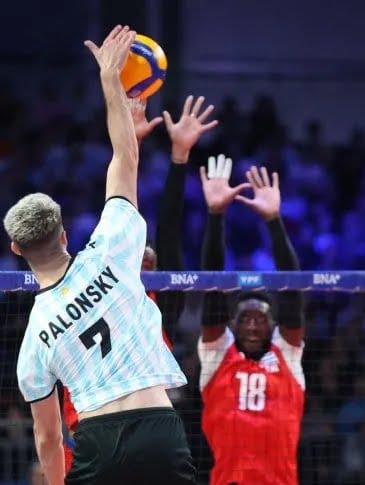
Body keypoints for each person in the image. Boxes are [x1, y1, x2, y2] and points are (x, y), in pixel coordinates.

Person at [4, 25, 195, 485]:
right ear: (66, 234)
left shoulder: (34, 337)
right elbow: (124, 158)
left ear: (17, 250)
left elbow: (48, 439)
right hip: (159, 427)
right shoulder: (110, 249)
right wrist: (112, 83)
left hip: (97, 439)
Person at [58, 93, 218, 473]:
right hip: (88, 429)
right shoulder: (88, 290)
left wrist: (178, 159)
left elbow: (169, 235)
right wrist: (131, 147)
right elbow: (116, 214)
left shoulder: (156, 307)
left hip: (142, 432)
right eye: (138, 259)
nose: (145, 262)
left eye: (151, 263)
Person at [197, 155, 307, 485]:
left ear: (272, 324)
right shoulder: (218, 355)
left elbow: (292, 293)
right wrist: (215, 215)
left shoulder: (287, 353)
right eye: (245, 318)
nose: (252, 325)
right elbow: (213, 287)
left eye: (260, 318)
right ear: (233, 323)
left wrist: (274, 220)